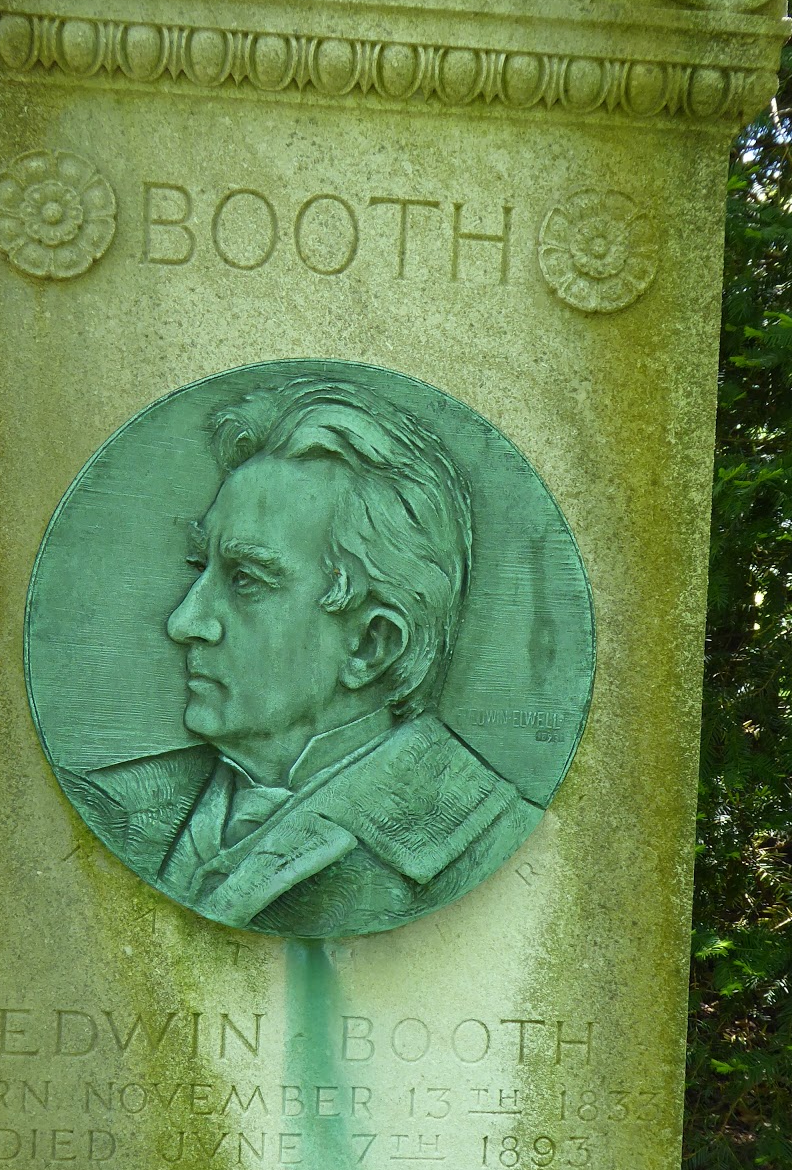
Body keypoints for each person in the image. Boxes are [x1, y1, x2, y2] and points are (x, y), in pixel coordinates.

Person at [62, 375, 538, 936]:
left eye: (245, 579)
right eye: (199, 567)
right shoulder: (111, 807)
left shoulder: (485, 840)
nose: (184, 622)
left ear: (371, 645)